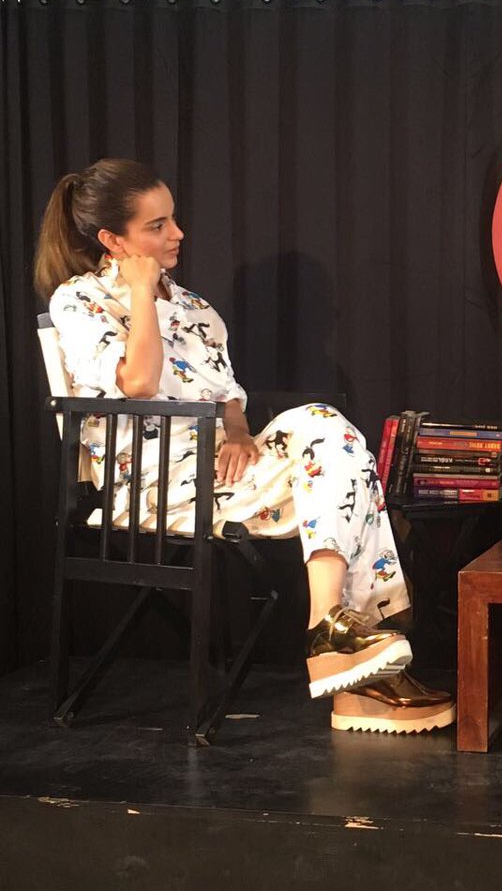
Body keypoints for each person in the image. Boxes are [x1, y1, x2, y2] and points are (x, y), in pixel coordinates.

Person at [34, 158, 454, 735]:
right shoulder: (78, 301)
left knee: (326, 428)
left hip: (223, 471)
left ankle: (329, 624)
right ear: (113, 240)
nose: (177, 233)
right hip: (154, 485)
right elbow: (139, 382)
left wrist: (235, 431)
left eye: (172, 218)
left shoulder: (196, 309)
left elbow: (229, 397)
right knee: (347, 475)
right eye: (156, 226)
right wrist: (141, 293)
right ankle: (352, 670)